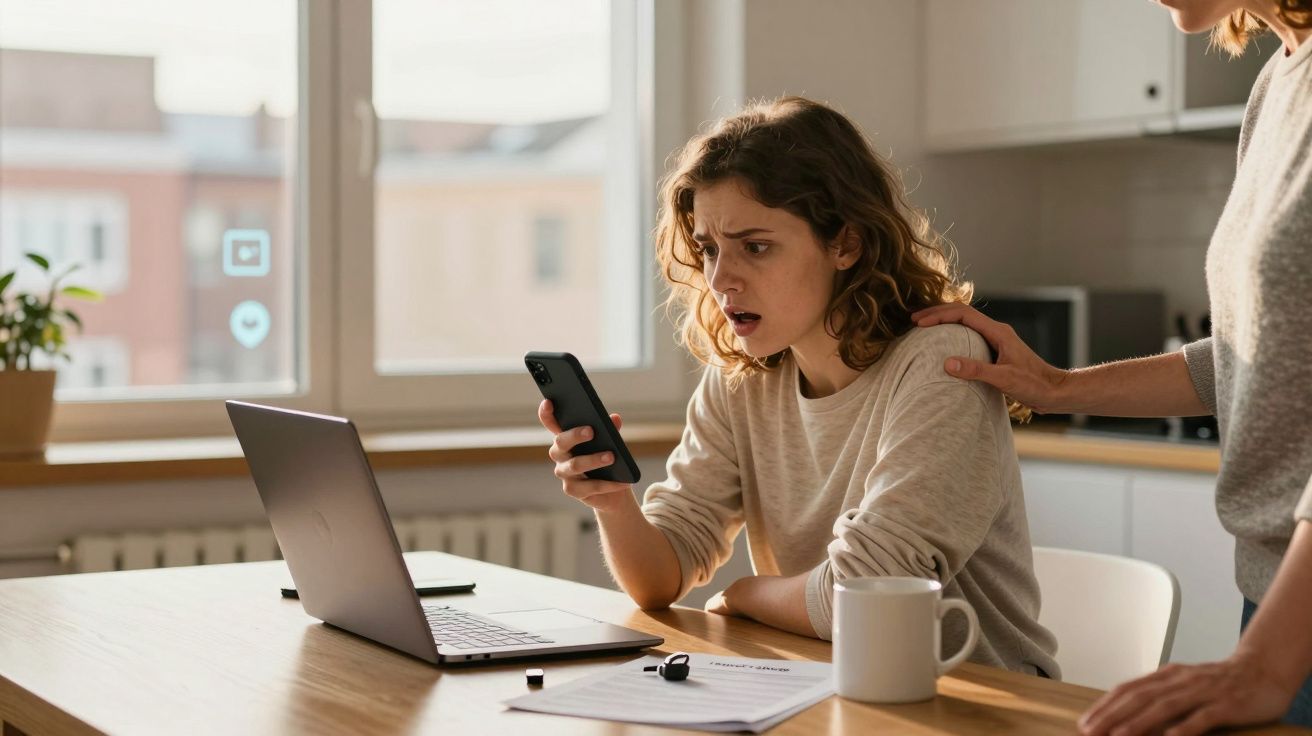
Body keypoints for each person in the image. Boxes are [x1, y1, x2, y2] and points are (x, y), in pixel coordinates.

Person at [537, 96, 1059, 677]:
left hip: (977, 704)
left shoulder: (943, 362)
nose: (719, 279)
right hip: (826, 687)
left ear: (846, 244)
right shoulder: (742, 377)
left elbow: (865, 595)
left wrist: (745, 597)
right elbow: (661, 578)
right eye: (710, 249)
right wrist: (612, 501)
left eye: (755, 247)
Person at [913, 1, 1312, 731]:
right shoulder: (1278, 85)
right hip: (1279, 602)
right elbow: (1253, 358)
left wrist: (1268, 662)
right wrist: (1058, 387)